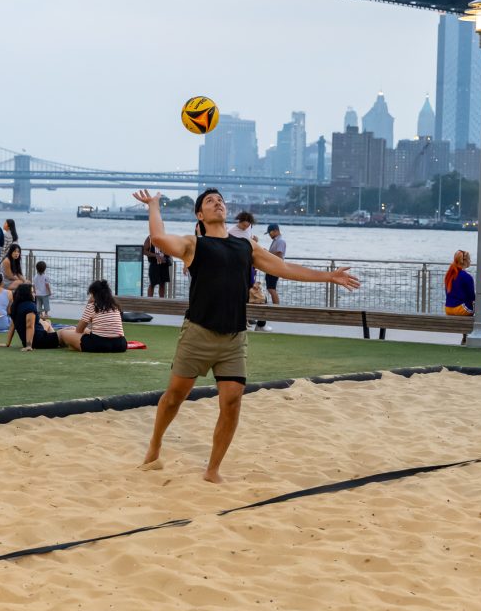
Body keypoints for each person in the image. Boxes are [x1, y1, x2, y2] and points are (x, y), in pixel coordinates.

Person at [132, 187, 360, 483]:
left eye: (221, 201)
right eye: (210, 202)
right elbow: (160, 239)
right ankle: (155, 444)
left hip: (234, 338)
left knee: (232, 401)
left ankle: (212, 470)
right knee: (175, 397)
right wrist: (153, 206)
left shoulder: (246, 247)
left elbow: (284, 267)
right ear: (200, 215)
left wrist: (328, 276)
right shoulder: (193, 245)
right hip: (198, 333)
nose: (218, 204)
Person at [58, 280, 127, 353]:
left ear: (94, 294)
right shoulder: (115, 306)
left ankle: (72, 345)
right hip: (120, 344)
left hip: (99, 345)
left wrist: (88, 304)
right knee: (85, 331)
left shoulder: (93, 306)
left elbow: (79, 330)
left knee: (64, 333)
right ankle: (73, 345)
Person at [0, 283, 61, 351]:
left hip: (29, 339)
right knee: (49, 324)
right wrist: (29, 346)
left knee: (47, 323)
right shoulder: (30, 306)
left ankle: (54, 340)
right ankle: (56, 342)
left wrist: (7, 343)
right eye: (32, 292)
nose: (34, 294)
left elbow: (12, 326)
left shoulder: (15, 306)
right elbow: (29, 326)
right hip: (36, 338)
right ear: (26, 294)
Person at [256, 222, 286, 332]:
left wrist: (266, 254)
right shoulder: (276, 241)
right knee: (270, 288)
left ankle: (276, 308)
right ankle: (276, 308)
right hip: (272, 268)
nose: (269, 235)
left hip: (275, 268)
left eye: (270, 232)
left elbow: (279, 255)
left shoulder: (280, 241)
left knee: (271, 288)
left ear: (276, 231)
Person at [444, 250, 475, 345]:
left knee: (467, 304)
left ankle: (465, 337)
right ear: (465, 261)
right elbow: (472, 296)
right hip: (460, 309)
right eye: (470, 259)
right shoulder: (467, 277)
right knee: (478, 311)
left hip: (448, 308)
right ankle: (468, 336)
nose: (471, 261)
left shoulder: (449, 275)